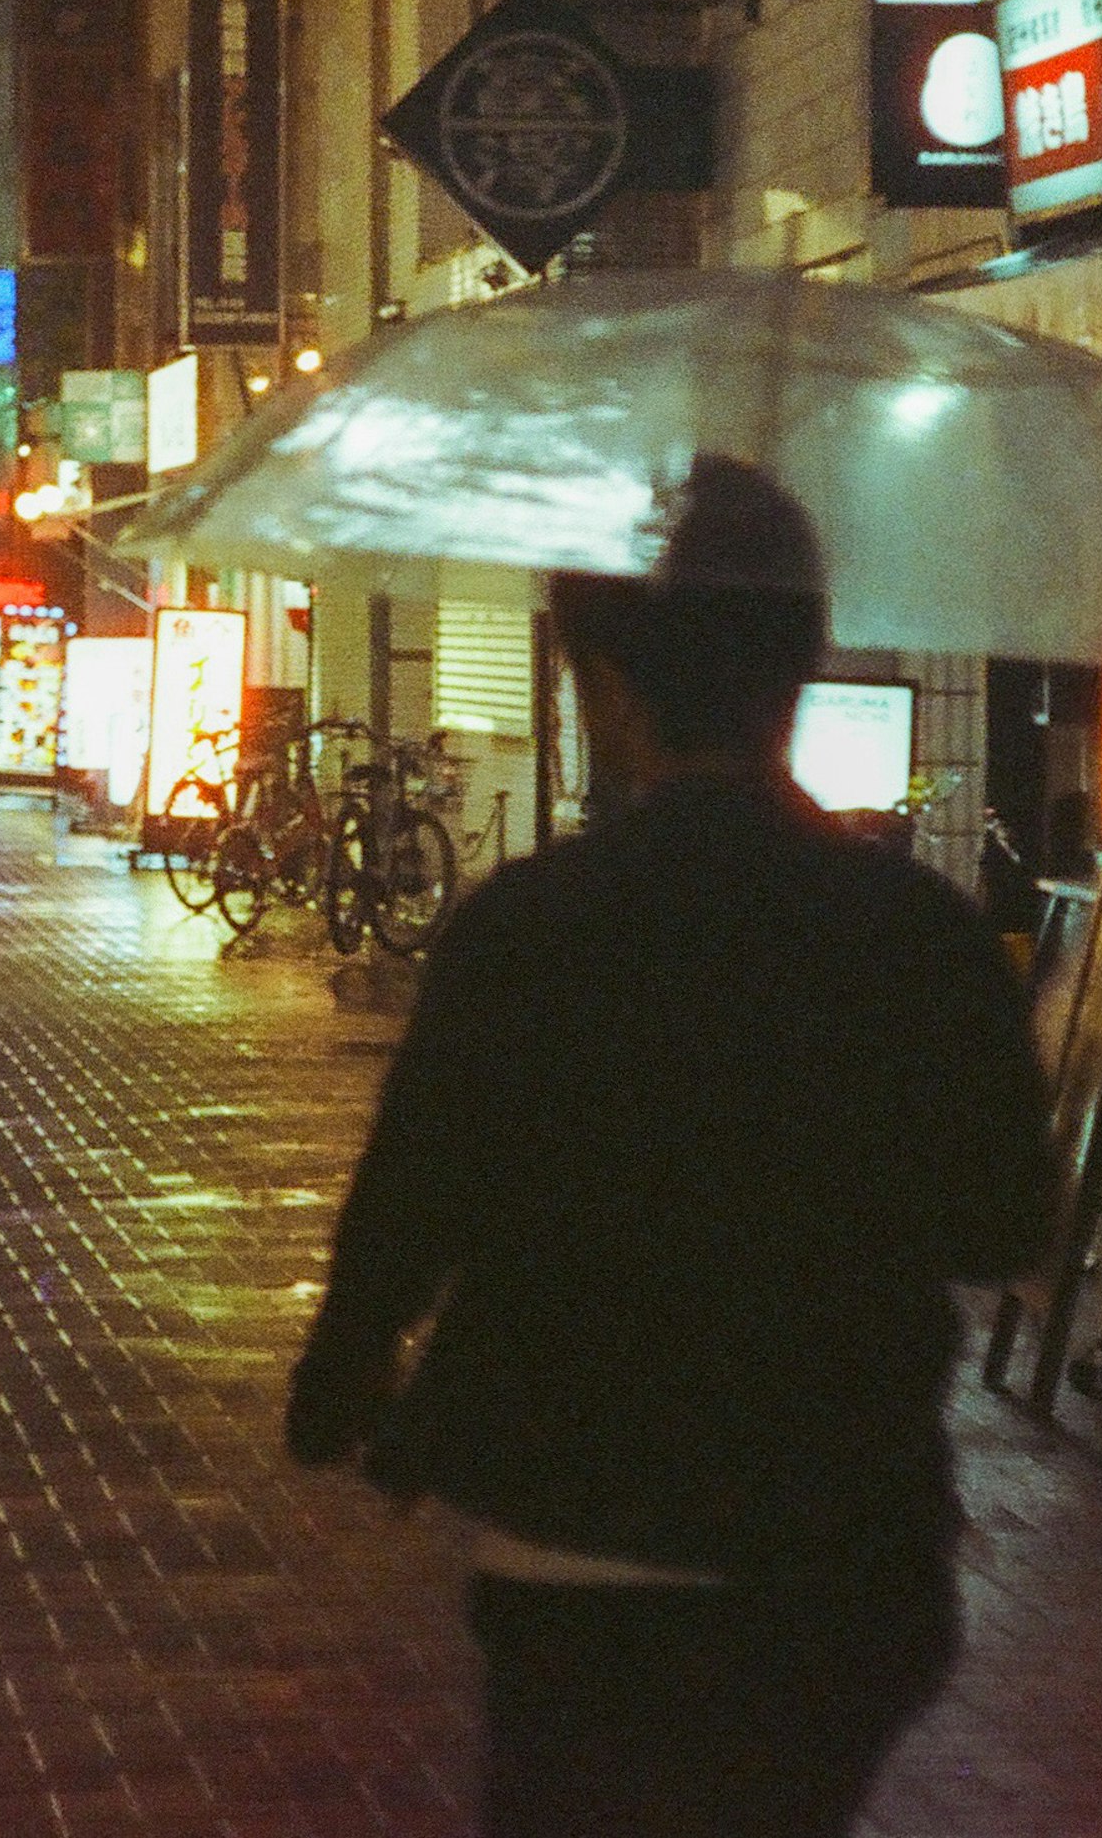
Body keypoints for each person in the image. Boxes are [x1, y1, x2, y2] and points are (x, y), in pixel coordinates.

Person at [282, 455, 1054, 1838]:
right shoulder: (918, 932)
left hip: (580, 1537)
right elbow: (1004, 1220)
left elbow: (413, 1199)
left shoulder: (529, 928)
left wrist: (343, 1380)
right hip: (841, 1543)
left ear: (616, 694)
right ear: (800, 672)